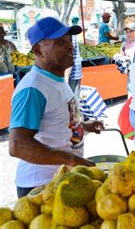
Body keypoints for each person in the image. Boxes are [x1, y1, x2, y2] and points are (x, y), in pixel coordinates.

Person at [8, 17, 104, 198]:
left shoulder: (57, 79)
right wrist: (70, 159)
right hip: (40, 185)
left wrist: (84, 126)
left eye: (69, 40)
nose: (70, 46)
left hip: (62, 179)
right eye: (60, 42)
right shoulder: (33, 88)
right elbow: (17, 145)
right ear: (38, 50)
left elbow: (58, 121)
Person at [64, 16, 82, 100]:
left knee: (71, 101)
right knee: (74, 100)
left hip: (72, 74)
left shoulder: (69, 37)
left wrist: (66, 77)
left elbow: (69, 57)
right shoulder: (69, 36)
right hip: (75, 72)